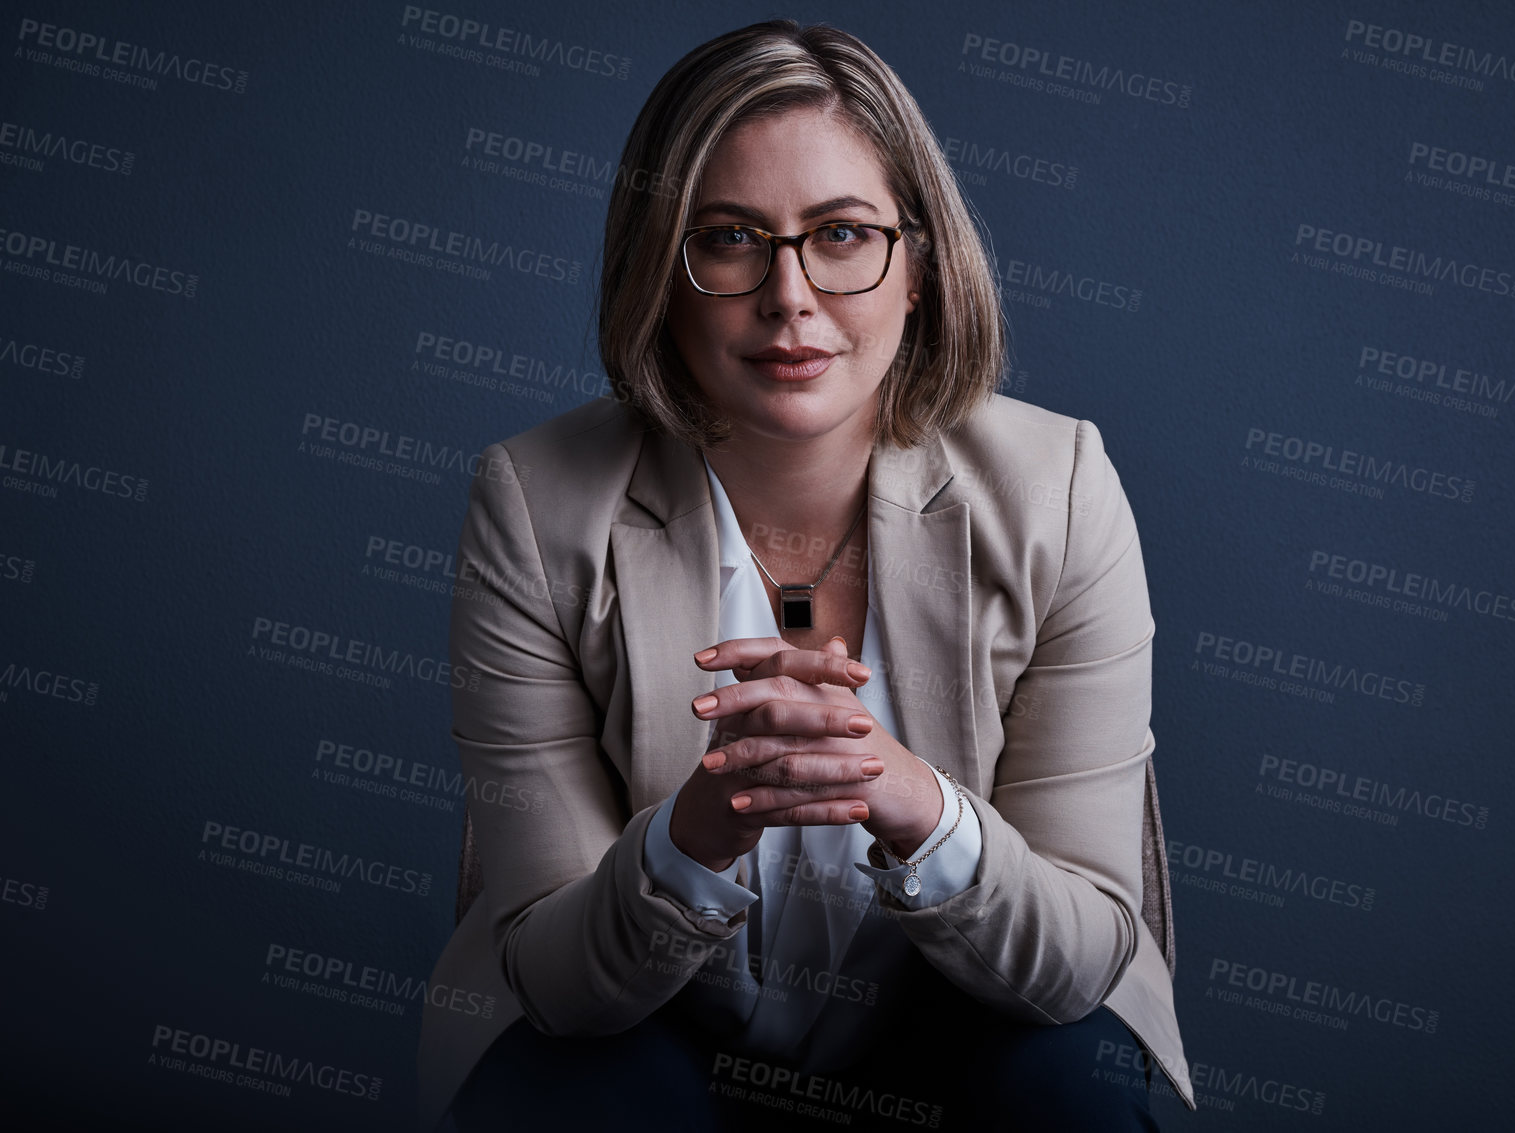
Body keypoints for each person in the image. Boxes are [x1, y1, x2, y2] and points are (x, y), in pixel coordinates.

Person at [417, 18, 1195, 1132]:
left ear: (916, 268)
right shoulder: (535, 502)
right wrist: (689, 841)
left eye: (839, 234)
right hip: (653, 1035)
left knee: (1066, 1087)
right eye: (730, 238)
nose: (789, 295)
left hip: (961, 1031)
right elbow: (550, 971)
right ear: (662, 275)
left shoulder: (1059, 488)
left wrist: (913, 802)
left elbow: (1075, 958)